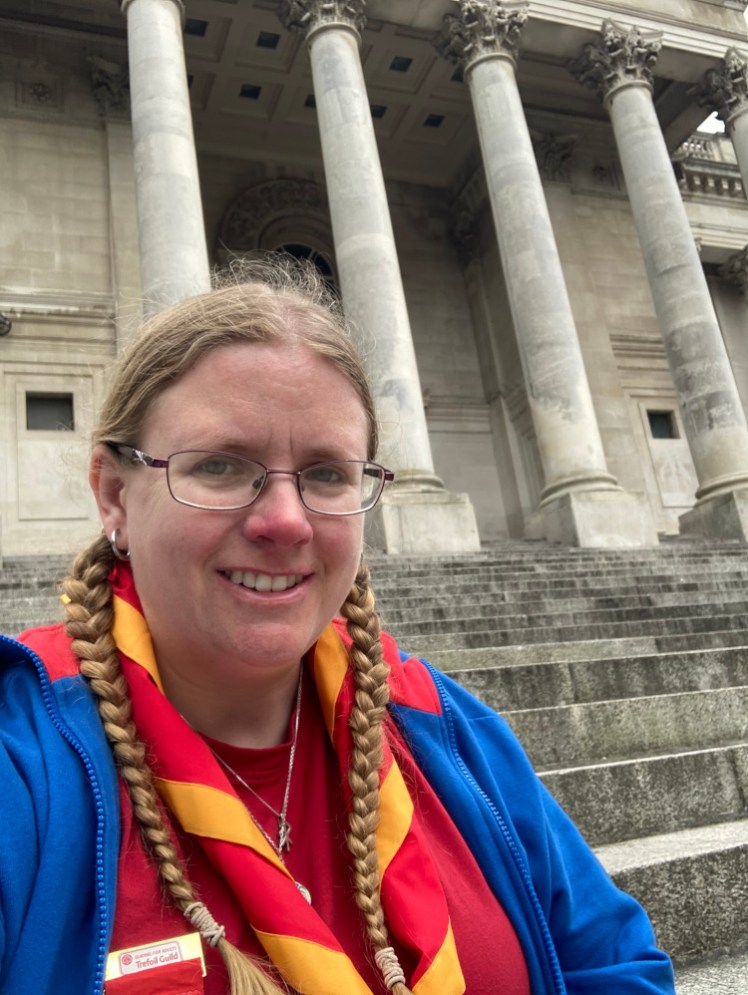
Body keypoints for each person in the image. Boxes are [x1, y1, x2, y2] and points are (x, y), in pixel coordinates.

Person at [0, 259, 675, 995]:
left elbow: (614, 964)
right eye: (221, 465)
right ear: (113, 493)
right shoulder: (22, 765)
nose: (285, 521)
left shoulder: (442, 724)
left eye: (327, 473)